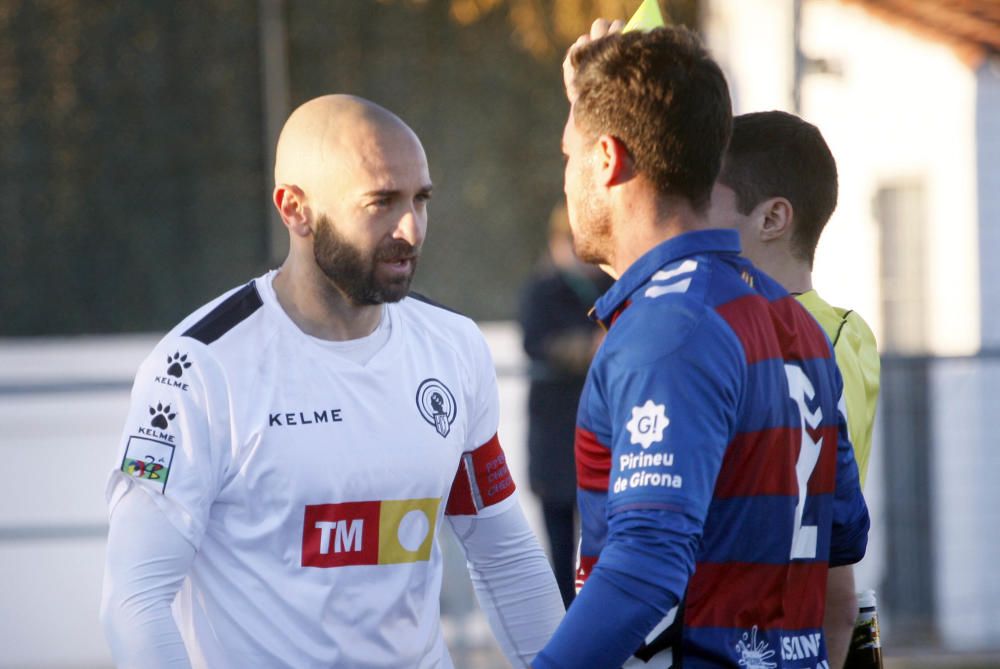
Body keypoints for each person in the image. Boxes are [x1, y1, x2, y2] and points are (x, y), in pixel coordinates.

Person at [99, 94, 564, 668]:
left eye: (421, 200)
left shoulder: (454, 347)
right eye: (381, 202)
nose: (411, 229)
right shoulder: (193, 371)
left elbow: (504, 554)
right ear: (295, 208)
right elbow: (133, 600)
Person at [532, 21, 870, 669]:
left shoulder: (671, 328)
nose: (566, 179)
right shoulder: (786, 319)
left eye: (568, 155)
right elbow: (839, 559)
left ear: (607, 160)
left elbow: (644, 569)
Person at [707, 110, 881, 668]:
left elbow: (813, 504)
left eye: (704, 201)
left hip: (786, 635)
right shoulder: (835, 330)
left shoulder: (825, 340)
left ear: (773, 218)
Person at [519, 203, 613, 606]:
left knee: (605, 546)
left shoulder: (609, 289)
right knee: (560, 548)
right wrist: (588, 349)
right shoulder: (541, 289)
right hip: (555, 436)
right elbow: (535, 341)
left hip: (601, 434)